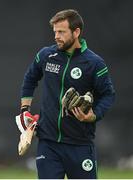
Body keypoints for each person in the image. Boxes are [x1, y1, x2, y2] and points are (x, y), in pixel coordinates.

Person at [17, 9, 115, 179]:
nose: (56, 36)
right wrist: (25, 109)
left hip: (80, 145)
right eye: (55, 32)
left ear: (76, 32)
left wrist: (93, 115)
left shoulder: (94, 63)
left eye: (61, 32)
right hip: (48, 144)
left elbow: (108, 95)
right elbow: (30, 79)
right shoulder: (46, 55)